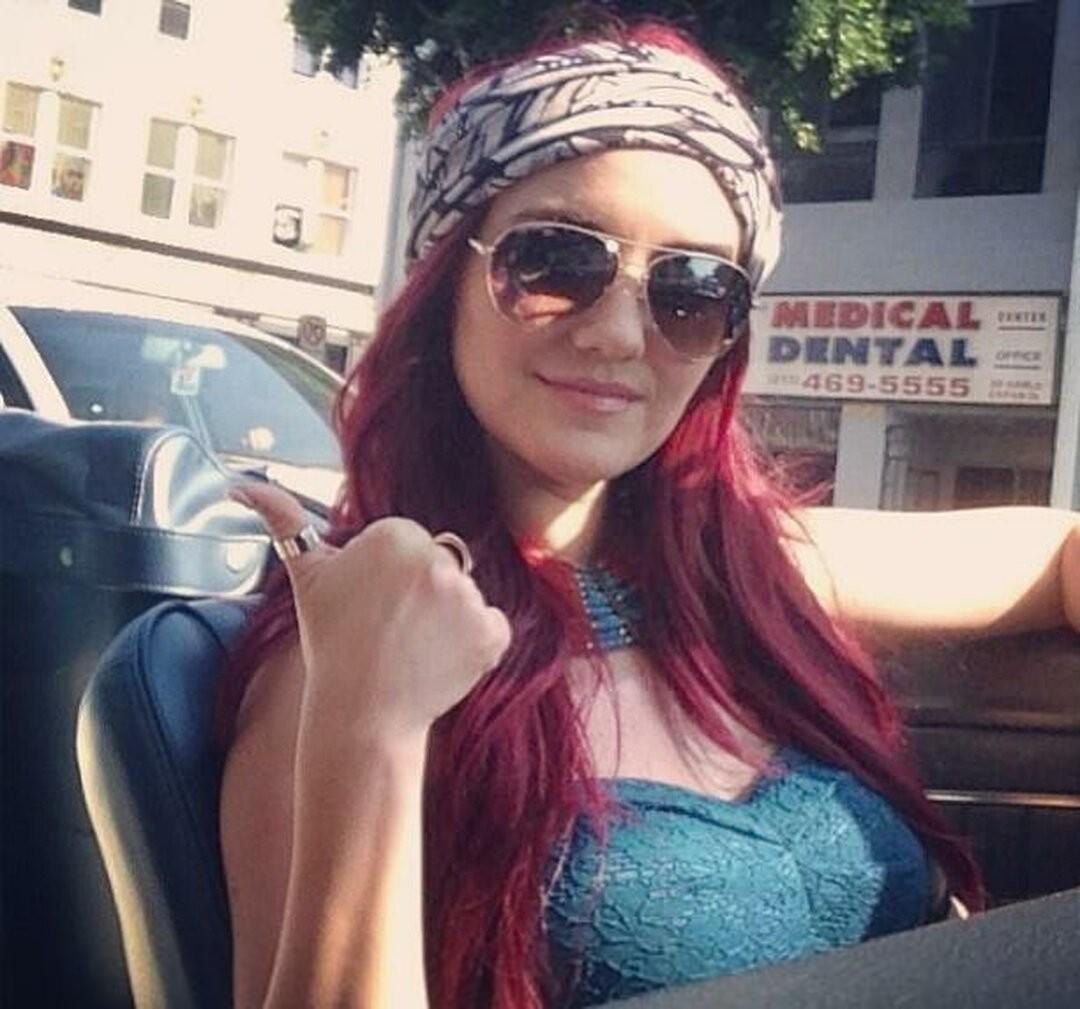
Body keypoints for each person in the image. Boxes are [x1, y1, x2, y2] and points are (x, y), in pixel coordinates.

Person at [220, 18, 1080, 1009]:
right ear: (445, 280)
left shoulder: (755, 568)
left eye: (692, 290)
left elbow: (1060, 551)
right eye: (555, 262)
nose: (621, 333)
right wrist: (370, 725)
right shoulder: (342, 653)